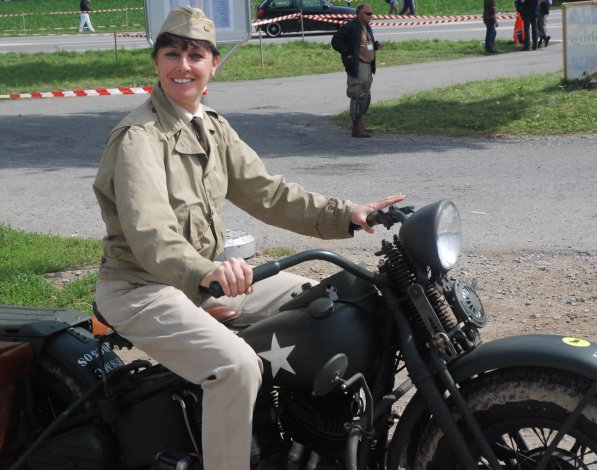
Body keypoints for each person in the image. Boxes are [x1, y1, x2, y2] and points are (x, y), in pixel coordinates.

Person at [92, 6, 406, 469]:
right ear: (156, 61)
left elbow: (269, 194)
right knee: (235, 367)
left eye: (196, 55)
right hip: (142, 289)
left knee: (329, 303)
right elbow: (150, 231)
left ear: (213, 64)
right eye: (172, 54)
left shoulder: (212, 127)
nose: (183, 66)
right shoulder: (139, 138)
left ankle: (317, 439)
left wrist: (348, 213)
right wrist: (208, 272)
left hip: (202, 283)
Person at [331, 4, 383, 138]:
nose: (371, 16)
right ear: (359, 14)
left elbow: (366, 44)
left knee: (366, 95)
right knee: (357, 94)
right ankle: (356, 128)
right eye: (368, 13)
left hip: (368, 65)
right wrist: (348, 53)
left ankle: (360, 125)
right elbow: (335, 40)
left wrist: (376, 45)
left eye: (371, 13)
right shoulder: (351, 26)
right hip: (357, 64)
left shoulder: (367, 27)